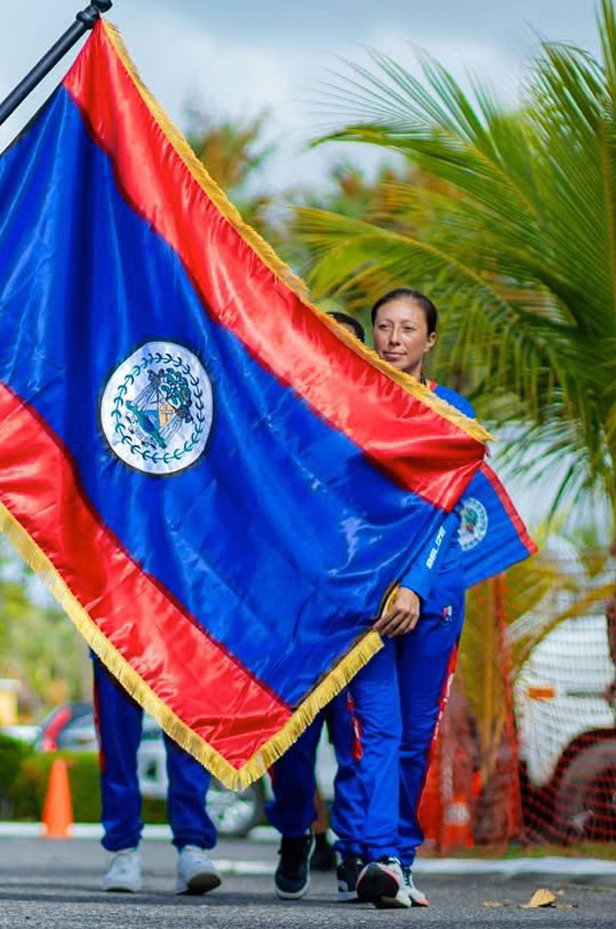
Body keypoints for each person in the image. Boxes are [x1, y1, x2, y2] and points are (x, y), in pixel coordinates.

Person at [333, 288, 475, 910]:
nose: (393, 338)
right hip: (367, 605)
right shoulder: (346, 410)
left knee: (417, 737)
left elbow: (448, 509)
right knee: (378, 733)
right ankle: (379, 855)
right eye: (384, 327)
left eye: (407, 328)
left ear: (429, 340)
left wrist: (416, 583)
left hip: (433, 602)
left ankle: (401, 859)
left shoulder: (452, 411)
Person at [267, 310, 365, 901]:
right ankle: (295, 832)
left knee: (353, 743)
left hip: (357, 614)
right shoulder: (279, 422)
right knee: (294, 748)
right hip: (292, 619)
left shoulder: (379, 430)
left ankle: (354, 849)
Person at [93, 655, 221, 896]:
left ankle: (192, 847)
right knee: (116, 744)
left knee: (188, 737)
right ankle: (124, 851)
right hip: (118, 627)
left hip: (180, 629)